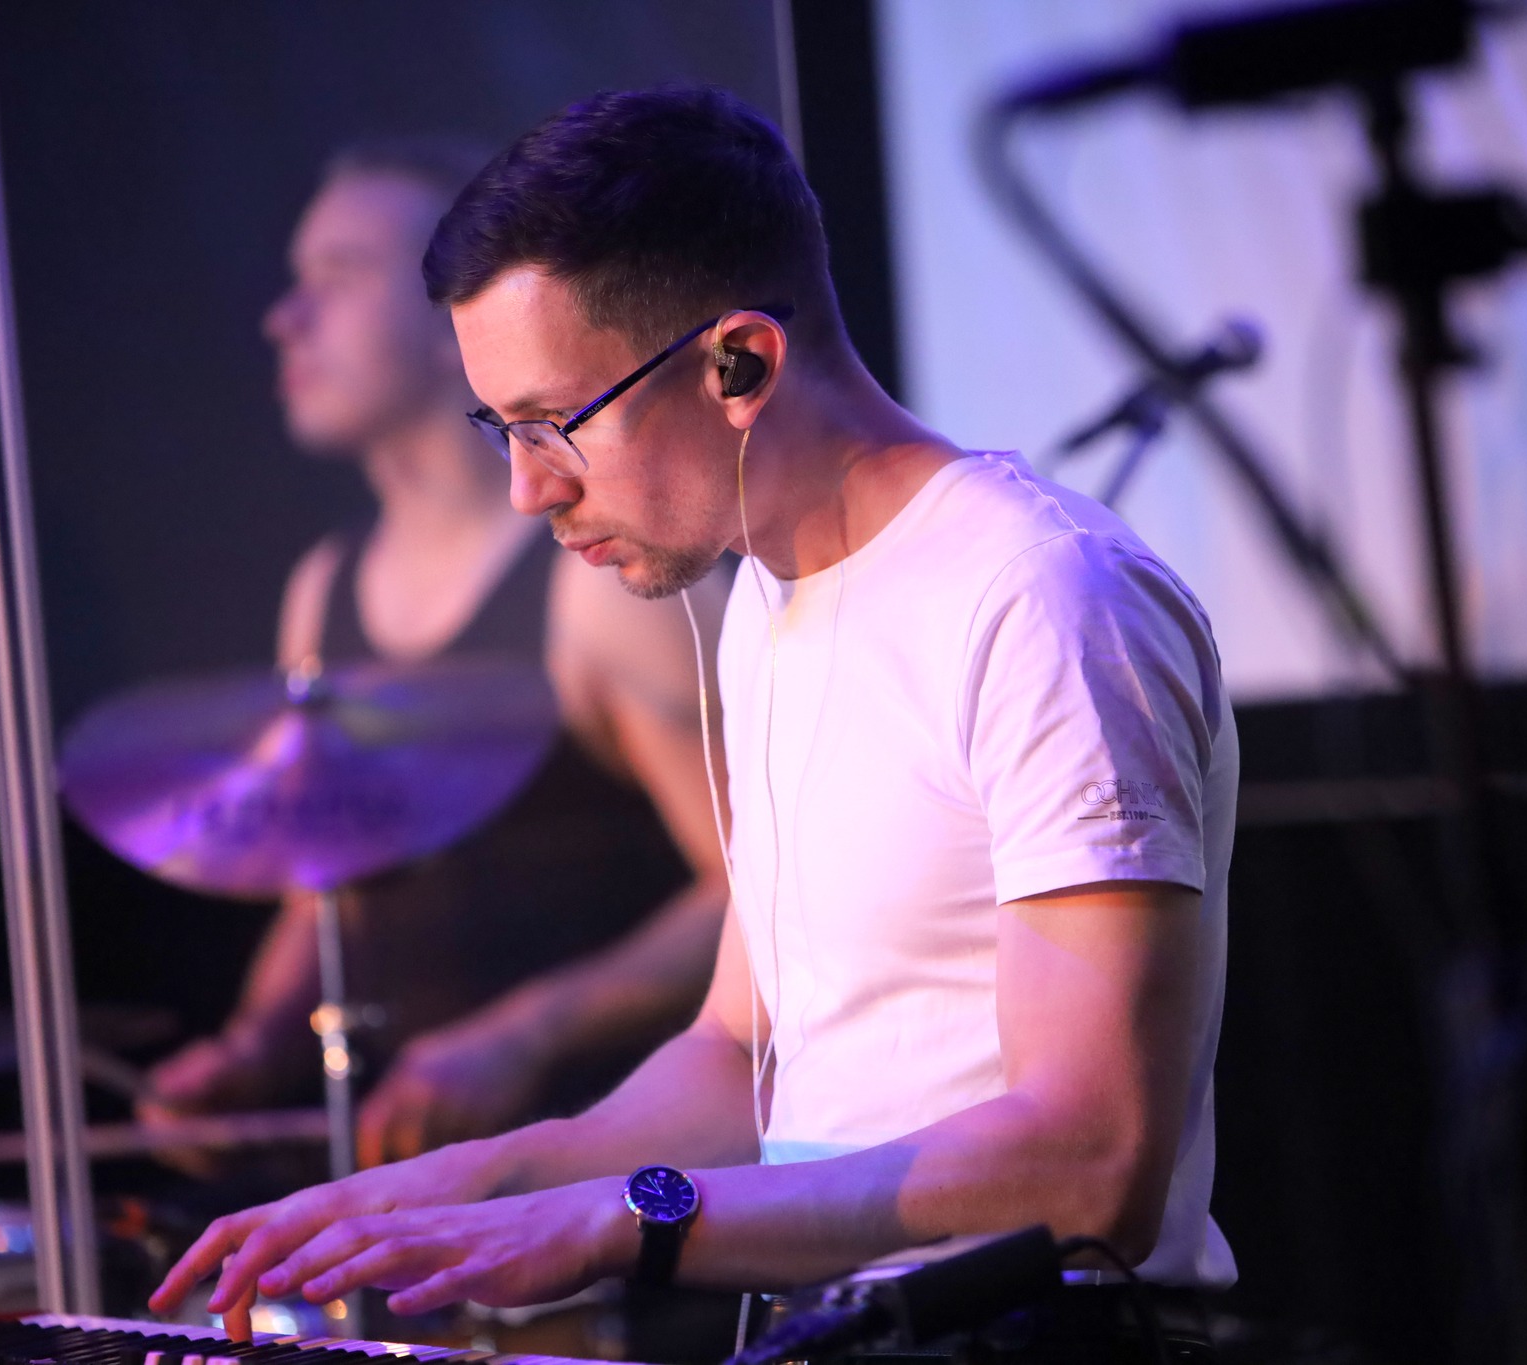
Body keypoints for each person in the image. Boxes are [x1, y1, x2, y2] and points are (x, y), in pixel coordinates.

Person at [151, 84, 1238, 1347]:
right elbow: (737, 1054)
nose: (527, 490)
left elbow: (1091, 1159)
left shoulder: (1043, 597)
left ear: (739, 363)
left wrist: (628, 1219)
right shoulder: (763, 598)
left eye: (552, 424)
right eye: (500, 430)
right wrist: (471, 1182)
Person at [139, 138, 733, 1166]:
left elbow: (766, 885)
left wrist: (528, 1032)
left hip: (613, 1178)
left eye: (339, 276)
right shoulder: (322, 587)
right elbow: (332, 882)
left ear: (456, 312)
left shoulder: (601, 577)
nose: (284, 318)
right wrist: (255, 1041)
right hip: (429, 1188)